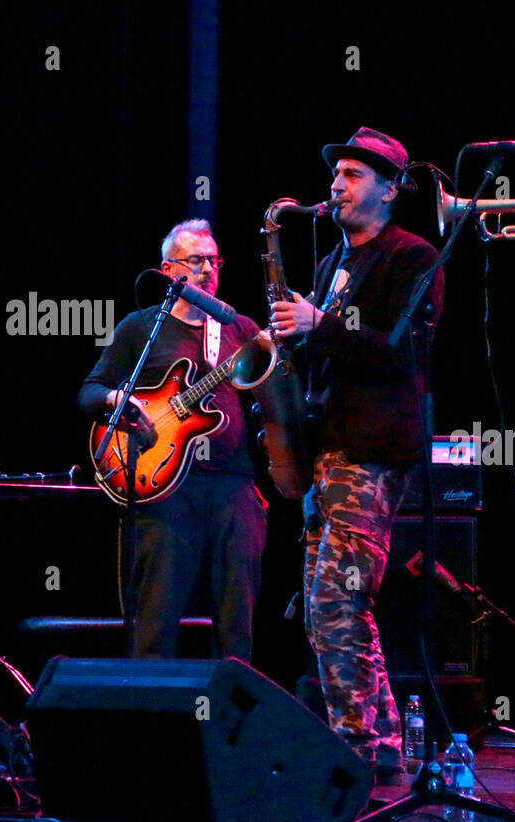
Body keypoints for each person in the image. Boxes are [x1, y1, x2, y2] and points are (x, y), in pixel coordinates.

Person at [269, 127, 443, 784]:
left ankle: (355, 749)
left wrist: (321, 324)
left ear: (391, 189)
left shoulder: (414, 255)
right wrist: (287, 340)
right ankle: (384, 742)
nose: (336, 185)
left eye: (353, 174)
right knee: (335, 604)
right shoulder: (335, 261)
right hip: (330, 444)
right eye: (336, 172)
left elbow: (401, 349)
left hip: (372, 447)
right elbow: (326, 349)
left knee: (334, 604)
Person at [78, 219, 296, 661]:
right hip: (163, 489)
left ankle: (229, 719)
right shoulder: (142, 328)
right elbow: (89, 392)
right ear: (168, 269)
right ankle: (148, 716)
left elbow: (278, 405)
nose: (208, 270)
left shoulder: (241, 328)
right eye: (196, 261)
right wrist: (120, 398)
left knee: (237, 621)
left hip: (233, 486)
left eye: (214, 261)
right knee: (155, 620)